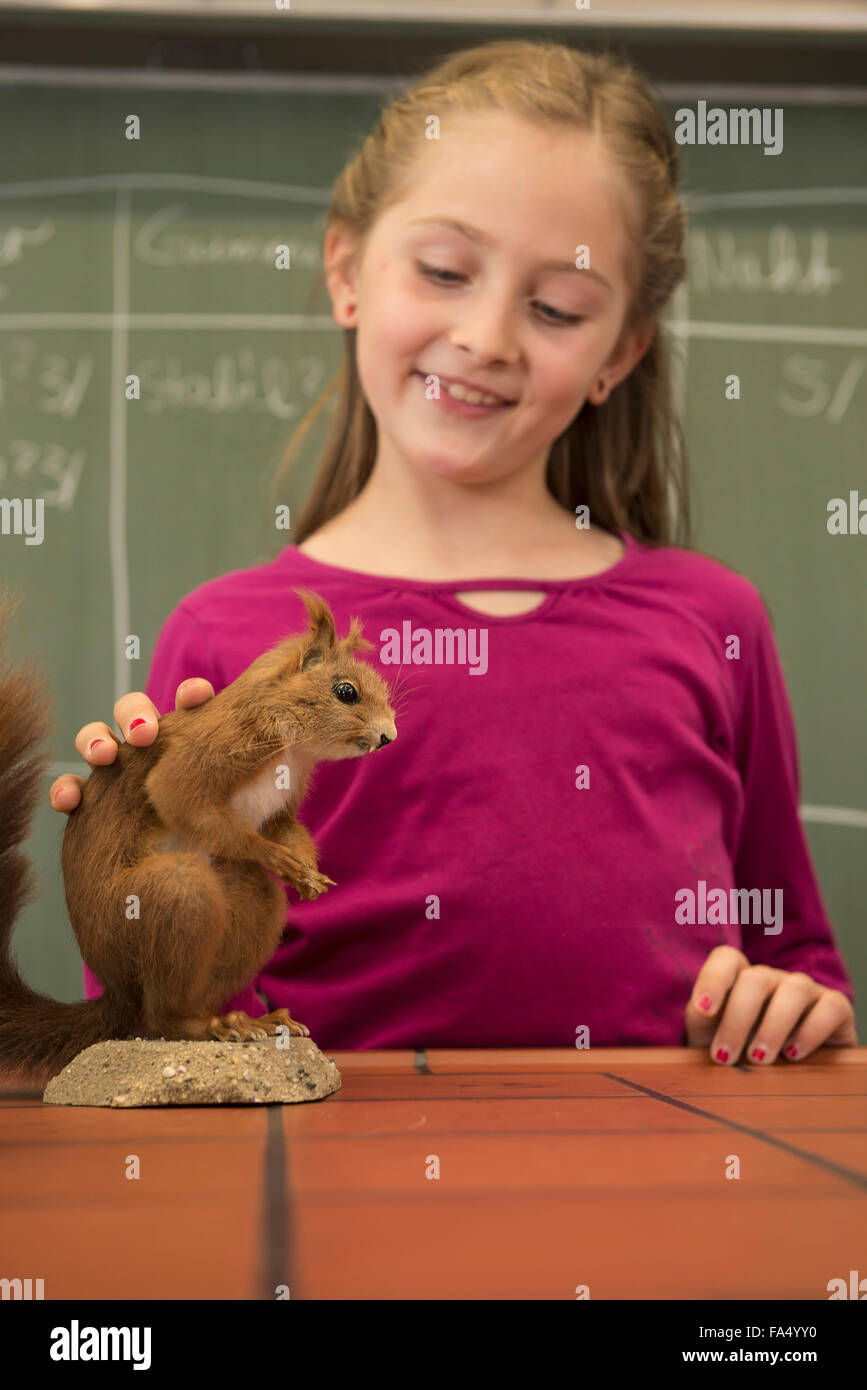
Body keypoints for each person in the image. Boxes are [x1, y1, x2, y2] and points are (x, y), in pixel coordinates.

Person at [50, 40, 856, 1063]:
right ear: (346, 270)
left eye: (556, 308)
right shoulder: (226, 635)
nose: (485, 336)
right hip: (320, 1203)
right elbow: (151, 993)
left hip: (651, 1202)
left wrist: (796, 1006)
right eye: (442, 270)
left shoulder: (713, 621)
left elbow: (798, 958)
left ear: (620, 353)